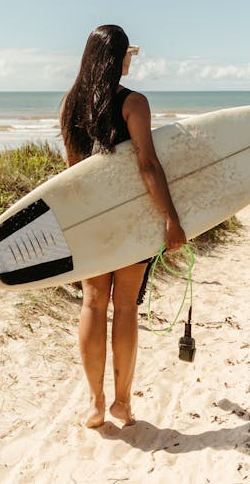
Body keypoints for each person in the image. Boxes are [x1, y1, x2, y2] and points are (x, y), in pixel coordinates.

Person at [60, 25, 186, 428]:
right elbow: (147, 164)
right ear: (117, 57)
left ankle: (95, 405)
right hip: (132, 219)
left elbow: (73, 173)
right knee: (126, 307)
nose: (132, 58)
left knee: (93, 304)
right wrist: (171, 217)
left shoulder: (70, 104)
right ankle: (122, 403)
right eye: (129, 51)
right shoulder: (134, 103)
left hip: (92, 220)